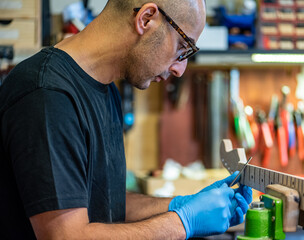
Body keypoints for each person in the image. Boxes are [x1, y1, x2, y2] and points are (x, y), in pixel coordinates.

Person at [0, 0, 252, 239]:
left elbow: (106, 200)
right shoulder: (47, 94)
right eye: (182, 48)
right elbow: (66, 235)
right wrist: (182, 222)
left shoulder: (106, 90)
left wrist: (180, 204)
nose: (180, 69)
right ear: (147, 18)